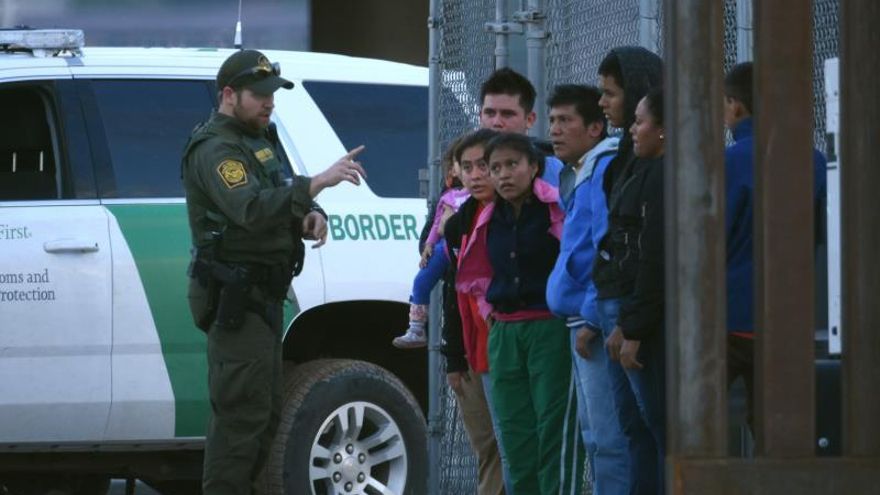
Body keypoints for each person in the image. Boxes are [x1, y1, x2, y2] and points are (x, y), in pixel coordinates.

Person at [181, 49, 367, 495]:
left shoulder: (258, 140)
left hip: (263, 296)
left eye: (272, 94)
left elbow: (279, 191)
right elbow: (247, 207)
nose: (269, 103)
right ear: (229, 95)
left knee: (264, 415)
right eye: (259, 94)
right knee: (240, 418)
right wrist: (317, 183)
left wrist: (310, 213)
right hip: (236, 299)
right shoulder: (216, 149)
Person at [458, 132, 581, 494]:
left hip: (548, 329)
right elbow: (476, 274)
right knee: (514, 435)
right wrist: (489, 312)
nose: (504, 175)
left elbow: (576, 258)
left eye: (512, 165)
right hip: (504, 334)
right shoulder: (486, 218)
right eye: (495, 168)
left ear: (534, 168)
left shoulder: (555, 208)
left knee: (553, 429)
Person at [723, 61, 827, 436]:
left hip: (729, 314)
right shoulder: (813, 160)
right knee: (776, 428)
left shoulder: (727, 162)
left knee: (702, 427)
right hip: (790, 314)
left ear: (735, 105)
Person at [544, 84, 630, 494]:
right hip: (580, 320)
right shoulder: (581, 171)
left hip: (592, 322)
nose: (555, 130)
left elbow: (606, 247)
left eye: (566, 121)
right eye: (552, 121)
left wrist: (594, 318)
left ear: (595, 128)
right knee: (594, 433)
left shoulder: (601, 170)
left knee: (607, 437)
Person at [591, 46, 663, 495]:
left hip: (637, 313)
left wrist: (632, 323)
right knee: (631, 427)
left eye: (610, 94)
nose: (603, 103)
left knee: (657, 427)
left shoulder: (657, 170)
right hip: (616, 308)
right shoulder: (624, 158)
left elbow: (652, 252)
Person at [441, 128, 509, 495]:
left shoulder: (512, 214)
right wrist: (454, 358)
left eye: (483, 165)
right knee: (486, 447)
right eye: (467, 167)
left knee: (510, 447)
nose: (476, 175)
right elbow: (454, 292)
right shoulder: (459, 221)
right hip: (471, 353)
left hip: (506, 347)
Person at [392, 143, 469, 348]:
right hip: (445, 247)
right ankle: (416, 328)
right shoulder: (448, 196)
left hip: (469, 249)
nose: (472, 171)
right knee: (422, 280)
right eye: (465, 165)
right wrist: (429, 245)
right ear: (453, 170)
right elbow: (437, 223)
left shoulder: (479, 195)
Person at [479, 67, 563, 186]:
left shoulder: (548, 167)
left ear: (529, 120)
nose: (497, 122)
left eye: (507, 114)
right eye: (490, 113)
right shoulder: (463, 164)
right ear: (480, 116)